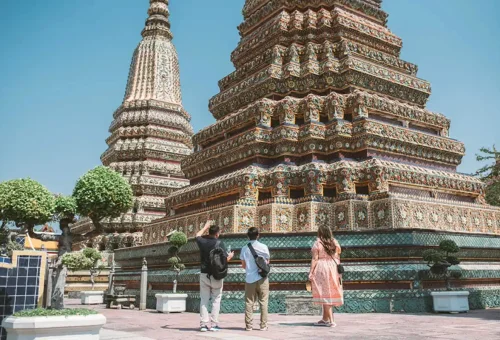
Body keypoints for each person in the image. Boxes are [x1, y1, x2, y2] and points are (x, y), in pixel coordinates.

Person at [196, 221, 234, 332]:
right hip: (216, 275)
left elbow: (197, 235)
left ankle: (203, 324)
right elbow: (224, 260)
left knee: (204, 299)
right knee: (216, 299)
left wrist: (204, 227)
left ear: (209, 232)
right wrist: (230, 256)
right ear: (217, 234)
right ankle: (213, 324)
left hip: (204, 274)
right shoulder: (219, 243)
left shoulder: (202, 242)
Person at [308, 225, 343, 327]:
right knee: (329, 292)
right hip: (333, 267)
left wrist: (311, 272)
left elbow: (314, 259)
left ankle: (331, 320)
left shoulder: (318, 243)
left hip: (322, 267)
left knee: (325, 292)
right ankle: (325, 318)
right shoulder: (334, 242)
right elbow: (338, 255)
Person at [240, 227, 270, 331]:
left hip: (250, 279)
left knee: (249, 302)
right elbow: (267, 262)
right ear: (258, 235)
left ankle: (249, 326)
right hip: (262, 278)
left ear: (248, 236)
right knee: (263, 301)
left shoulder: (244, 248)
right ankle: (263, 325)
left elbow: (243, 265)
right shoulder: (264, 247)